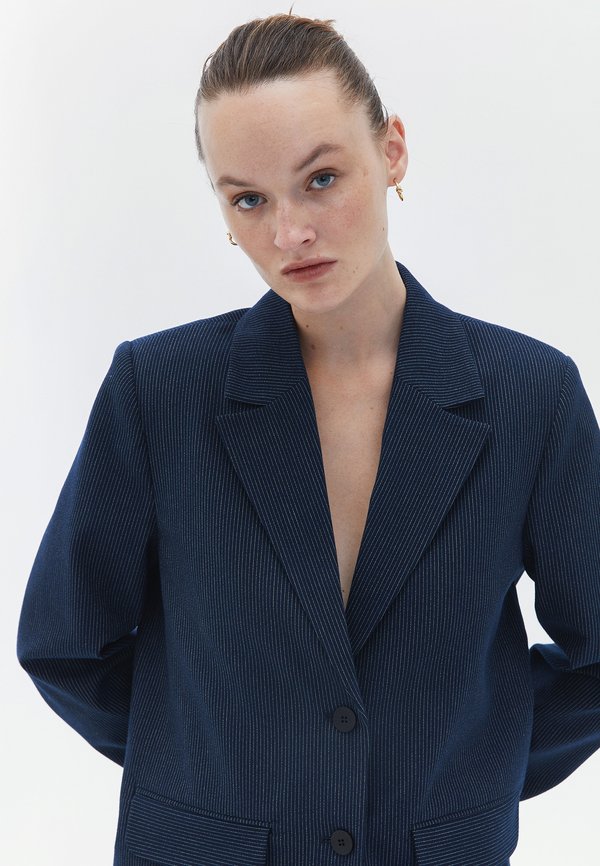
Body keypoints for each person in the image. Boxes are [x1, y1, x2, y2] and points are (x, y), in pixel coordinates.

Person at [16, 11, 600, 866]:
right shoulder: (158, 391)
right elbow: (65, 645)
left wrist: (475, 761)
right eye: (248, 199)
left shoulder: (531, 396)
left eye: (321, 179)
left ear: (392, 150)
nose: (288, 233)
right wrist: (210, 762)